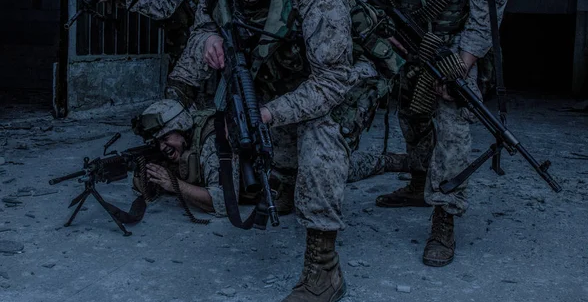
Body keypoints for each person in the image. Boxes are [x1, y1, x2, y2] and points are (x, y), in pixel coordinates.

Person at [169, 0, 404, 302]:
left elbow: (331, 82)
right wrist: (208, 39)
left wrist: (271, 114)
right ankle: (293, 183)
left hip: (349, 78)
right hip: (295, 75)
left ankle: (324, 268)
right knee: (260, 137)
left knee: (319, 134)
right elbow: (207, 17)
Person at [344, 0, 513, 267]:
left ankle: (444, 215)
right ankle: (418, 183)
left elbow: (491, 4)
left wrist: (464, 60)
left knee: (453, 123)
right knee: (410, 115)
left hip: (454, 48)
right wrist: (374, 33)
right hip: (401, 40)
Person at [133, 99, 408, 218]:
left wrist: (174, 185)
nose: (162, 146)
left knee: (348, 166)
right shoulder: (185, 143)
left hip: (286, 171)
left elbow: (220, 203)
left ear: (181, 126)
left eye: (165, 137)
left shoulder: (211, 145)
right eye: (156, 142)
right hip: (273, 169)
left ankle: (400, 161)